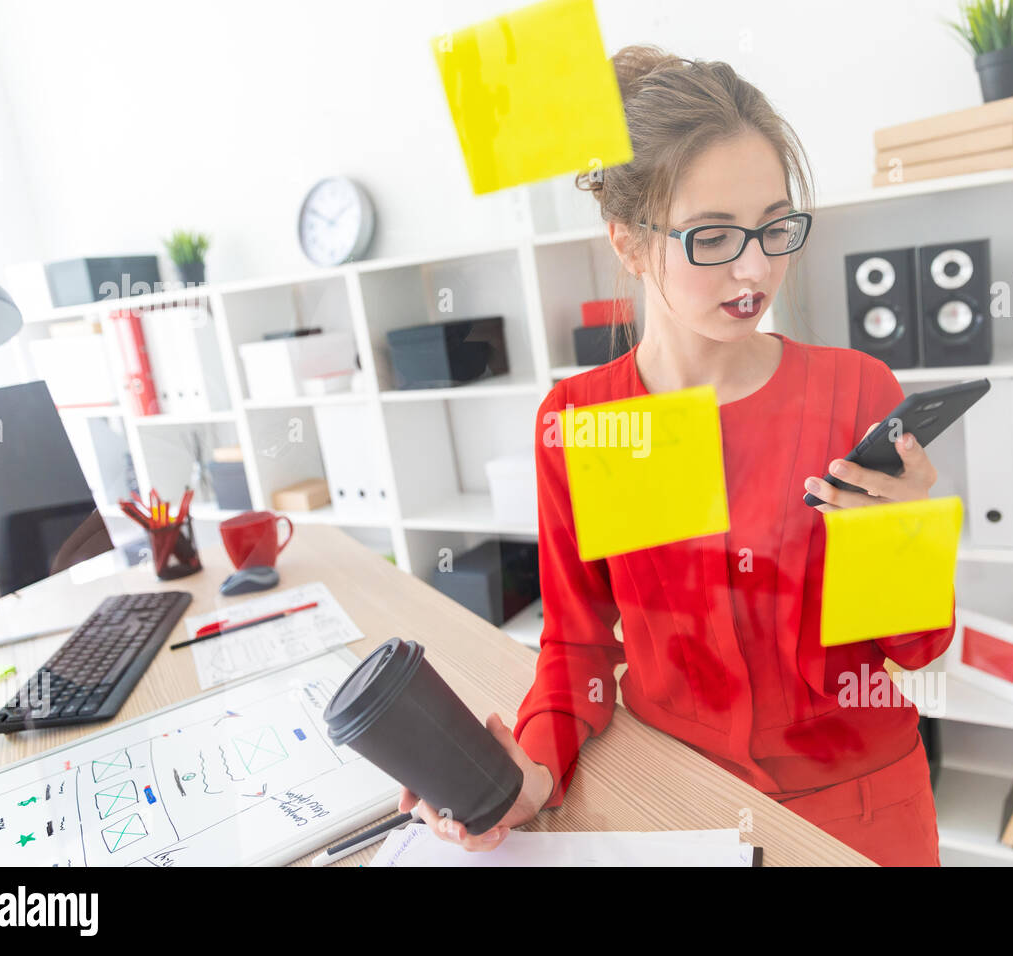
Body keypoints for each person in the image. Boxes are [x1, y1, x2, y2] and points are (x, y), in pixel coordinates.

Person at [398, 44, 952, 866]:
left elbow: (916, 651)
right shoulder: (589, 420)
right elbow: (579, 646)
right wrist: (534, 768)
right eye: (713, 236)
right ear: (627, 244)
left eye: (774, 226)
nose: (756, 267)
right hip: (674, 801)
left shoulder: (856, 392)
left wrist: (910, 545)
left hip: (863, 806)